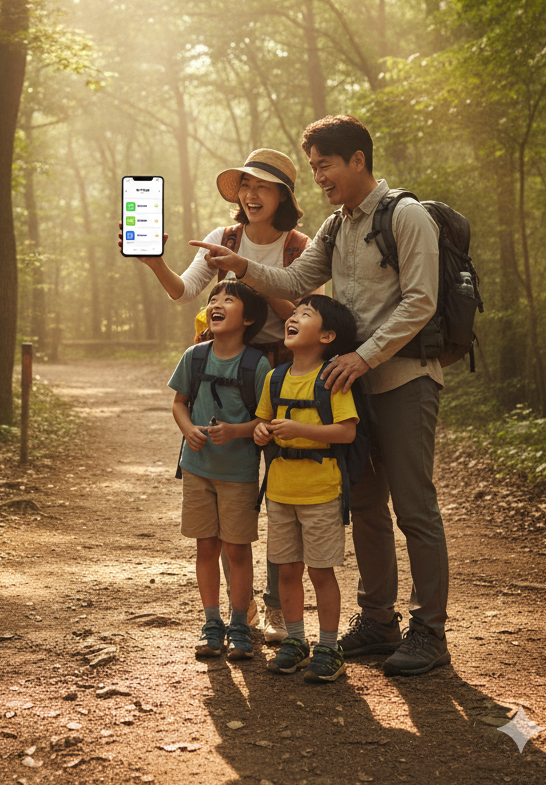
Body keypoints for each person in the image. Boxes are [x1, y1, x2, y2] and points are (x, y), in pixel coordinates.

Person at [190, 114, 450, 677]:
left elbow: (421, 301)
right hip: (348, 384)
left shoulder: (406, 216)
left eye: (325, 165)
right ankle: (378, 621)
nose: (319, 177)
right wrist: (243, 267)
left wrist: (363, 356)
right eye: (312, 168)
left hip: (402, 378)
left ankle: (430, 631)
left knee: (414, 506)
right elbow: (295, 282)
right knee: (366, 504)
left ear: (358, 159)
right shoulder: (337, 226)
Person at [126, 148, 312, 644]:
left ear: (283, 196)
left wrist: (249, 273)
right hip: (224, 371)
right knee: (230, 497)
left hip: (283, 374)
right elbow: (185, 291)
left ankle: (277, 608)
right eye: (245, 185)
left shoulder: (300, 247)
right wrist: (153, 261)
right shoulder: (222, 238)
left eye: (263, 186)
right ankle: (237, 613)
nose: (251, 195)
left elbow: (306, 314)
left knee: (282, 496)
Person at [253, 295, 359, 683]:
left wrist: (300, 429)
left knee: (320, 572)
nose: (293, 317)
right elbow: (262, 422)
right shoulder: (275, 377)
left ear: (327, 336)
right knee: (286, 571)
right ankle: (296, 643)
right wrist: (261, 431)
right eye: (294, 313)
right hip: (280, 491)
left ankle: (329, 648)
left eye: (305, 314)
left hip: (321, 491)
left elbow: (346, 432)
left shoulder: (332, 379)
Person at [169, 280, 271, 660]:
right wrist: (188, 430)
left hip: (239, 473)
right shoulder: (195, 356)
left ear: (248, 319)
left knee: (237, 550)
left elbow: (265, 419)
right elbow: (179, 403)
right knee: (206, 547)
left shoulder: (257, 364)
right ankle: (212, 623)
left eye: (229, 299)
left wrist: (235, 431)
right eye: (214, 298)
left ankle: (239, 623)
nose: (217, 303)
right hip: (197, 469)